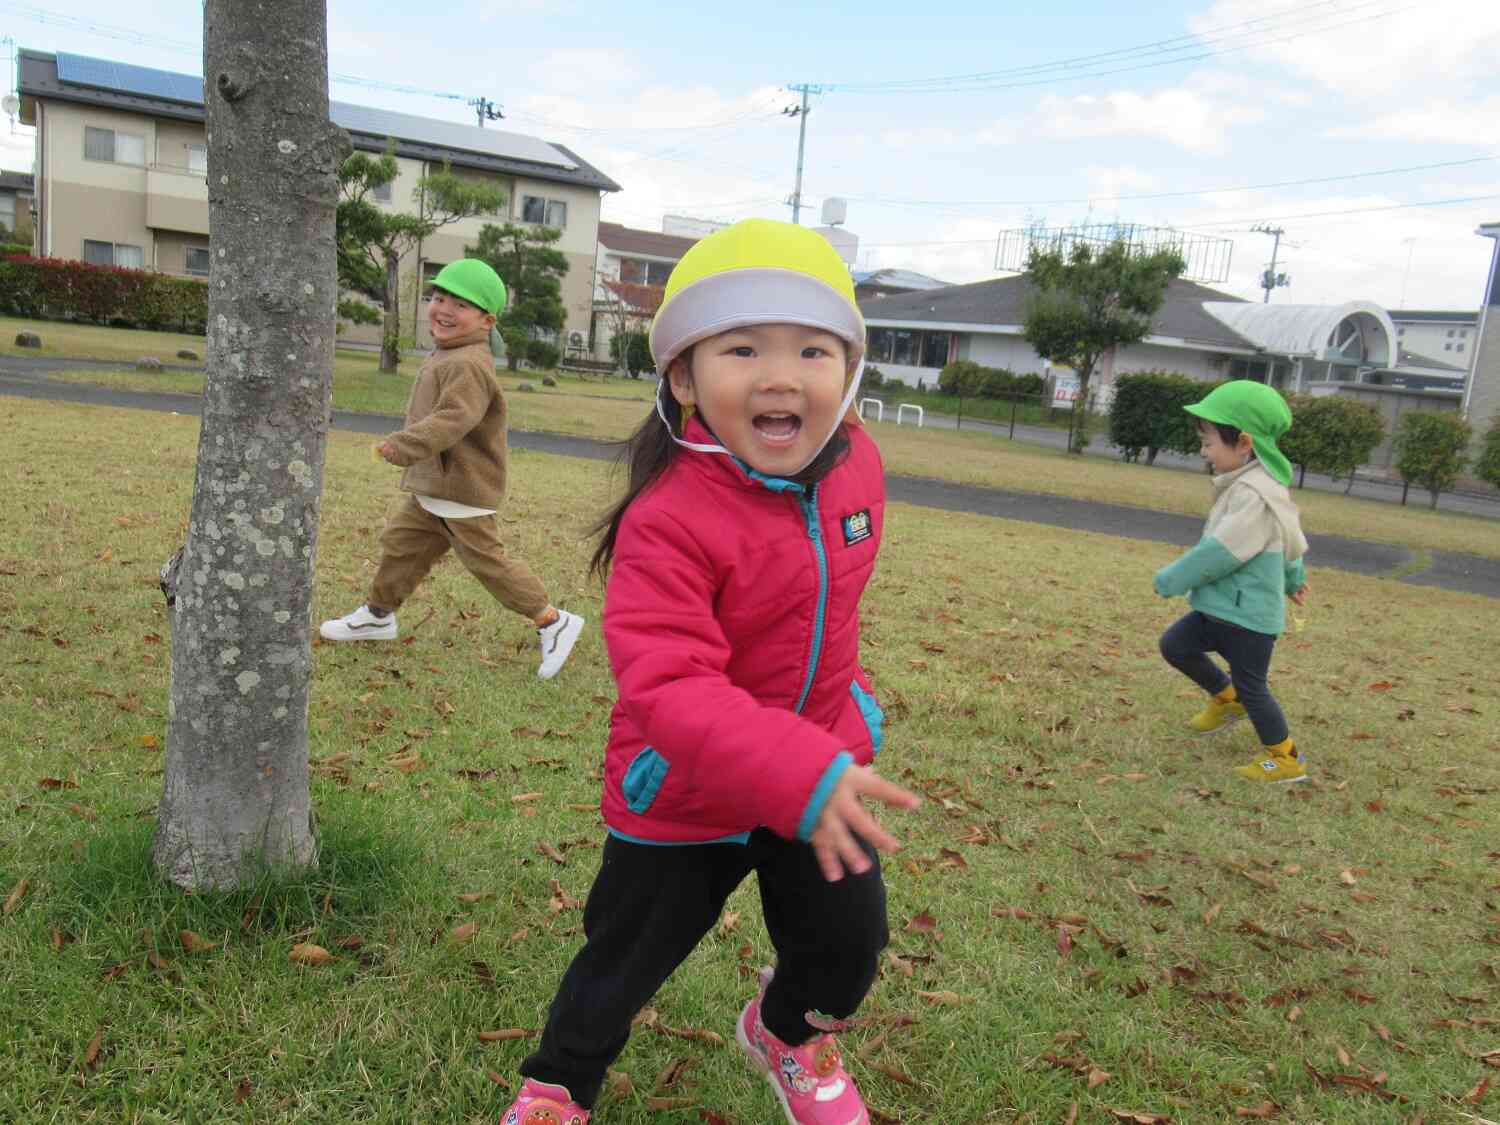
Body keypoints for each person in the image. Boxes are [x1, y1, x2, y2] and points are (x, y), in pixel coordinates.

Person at [499, 219, 920, 1125]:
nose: (779, 375)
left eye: (813, 348)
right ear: (683, 377)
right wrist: (790, 765)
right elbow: (670, 686)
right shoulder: (668, 519)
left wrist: (844, 710)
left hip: (820, 769)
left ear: (847, 374)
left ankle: (785, 1033)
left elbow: (828, 608)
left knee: (849, 949)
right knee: (621, 964)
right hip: (685, 792)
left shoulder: (861, 468)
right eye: (741, 348)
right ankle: (560, 1083)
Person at [319, 259, 584, 680]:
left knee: (488, 564)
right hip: (435, 489)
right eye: (439, 298)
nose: (443, 309)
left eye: (460, 304)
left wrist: (401, 446)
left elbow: (453, 419)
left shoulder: (467, 363)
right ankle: (378, 615)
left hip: (461, 488)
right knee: (401, 545)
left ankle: (552, 620)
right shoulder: (452, 353)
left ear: (486, 320)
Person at [1153, 380, 1310, 783]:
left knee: (1254, 685)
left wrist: (1173, 578)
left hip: (1249, 619)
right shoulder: (1252, 483)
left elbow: (1221, 552)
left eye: (1208, 443)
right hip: (1221, 608)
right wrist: (1294, 577)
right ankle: (1227, 699)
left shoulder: (1255, 494)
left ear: (1243, 442)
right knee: (1176, 645)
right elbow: (1288, 537)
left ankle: (1286, 757)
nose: (1204, 452)